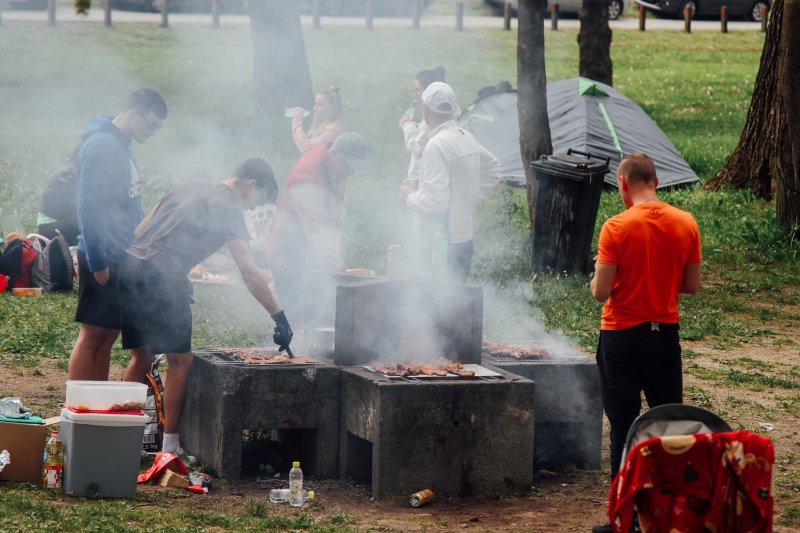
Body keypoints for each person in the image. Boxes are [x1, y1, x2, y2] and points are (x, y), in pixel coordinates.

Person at [118, 158, 292, 456]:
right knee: (181, 361)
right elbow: (249, 273)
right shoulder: (228, 209)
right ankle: (170, 448)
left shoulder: (187, 186)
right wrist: (280, 317)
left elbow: (141, 229)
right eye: (255, 202)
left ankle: (114, 435)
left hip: (131, 266)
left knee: (142, 358)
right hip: (163, 277)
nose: (251, 209)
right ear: (251, 185)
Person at [589, 152, 701, 533]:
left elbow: (600, 293)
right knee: (668, 423)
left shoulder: (616, 227)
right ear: (655, 180)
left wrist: (597, 273)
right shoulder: (686, 222)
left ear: (623, 184)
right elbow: (691, 285)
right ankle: (669, 516)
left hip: (621, 337)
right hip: (663, 338)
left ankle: (625, 520)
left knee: (623, 425)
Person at [68, 88, 167, 382]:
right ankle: (80, 407)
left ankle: (96, 403)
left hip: (122, 254)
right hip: (103, 255)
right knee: (93, 335)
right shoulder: (101, 146)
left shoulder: (123, 144)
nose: (153, 132)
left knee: (108, 334)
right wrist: (98, 262)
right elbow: (89, 209)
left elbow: (128, 203)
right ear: (133, 113)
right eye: (152, 124)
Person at [400, 82, 501, 283]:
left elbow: (435, 203)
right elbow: (494, 170)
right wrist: (465, 200)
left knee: (433, 305)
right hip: (463, 238)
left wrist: (409, 196)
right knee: (458, 306)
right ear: (454, 109)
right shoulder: (465, 136)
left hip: (438, 243)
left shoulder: (436, 146)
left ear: (425, 109)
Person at [264, 131, 370, 325]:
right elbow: (317, 229)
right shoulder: (308, 174)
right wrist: (337, 271)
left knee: (315, 313)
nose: (351, 172)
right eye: (349, 165)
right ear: (335, 152)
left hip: (310, 256)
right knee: (294, 316)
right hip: (288, 254)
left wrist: (337, 262)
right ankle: (288, 350)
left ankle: (307, 346)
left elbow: (333, 220)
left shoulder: (338, 169)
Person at [398, 66, 447, 187]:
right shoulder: (439, 116)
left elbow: (418, 147)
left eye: (418, 90)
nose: (415, 94)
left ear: (429, 93)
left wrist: (407, 126)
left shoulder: (432, 121)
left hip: (423, 181)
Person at [36, 145, 81, 246]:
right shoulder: (71, 174)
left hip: (57, 224)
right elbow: (79, 206)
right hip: (50, 229)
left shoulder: (73, 169)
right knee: (86, 218)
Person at [291, 86, 343, 154]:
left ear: (332, 108)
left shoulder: (330, 133)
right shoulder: (322, 125)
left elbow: (307, 148)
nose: (314, 108)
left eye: (320, 105)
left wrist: (297, 121)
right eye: (315, 104)